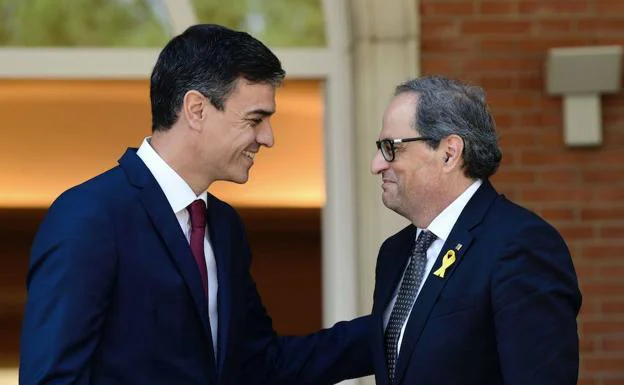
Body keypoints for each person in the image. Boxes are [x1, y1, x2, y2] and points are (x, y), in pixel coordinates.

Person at [19, 24, 372, 385]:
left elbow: (261, 365)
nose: (267, 138)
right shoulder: (90, 217)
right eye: (255, 119)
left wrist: (397, 326)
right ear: (197, 109)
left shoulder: (225, 226)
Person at [368, 75, 581, 385]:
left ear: (449, 153)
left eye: (391, 148)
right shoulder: (396, 252)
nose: (377, 164)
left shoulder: (519, 244)